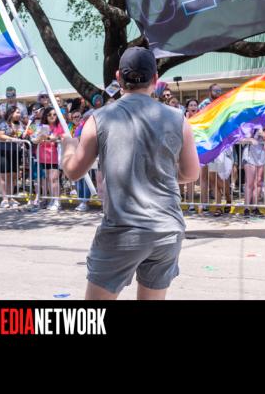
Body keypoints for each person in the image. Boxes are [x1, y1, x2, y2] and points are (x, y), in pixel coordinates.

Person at [61, 46, 200, 300]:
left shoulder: (99, 118)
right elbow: (191, 173)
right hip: (166, 230)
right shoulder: (178, 119)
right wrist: (158, 173)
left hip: (123, 231)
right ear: (155, 78)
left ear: (118, 77)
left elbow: (73, 171)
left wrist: (68, 148)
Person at [32, 106, 65, 211]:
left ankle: (57, 201)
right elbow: (34, 140)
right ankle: (51, 200)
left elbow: (63, 137)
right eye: (49, 114)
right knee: (47, 179)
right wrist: (40, 137)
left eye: (54, 114)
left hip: (55, 156)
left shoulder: (60, 126)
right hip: (43, 156)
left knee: (54, 178)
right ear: (45, 116)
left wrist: (54, 138)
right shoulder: (40, 126)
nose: (52, 116)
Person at [0, 106, 26, 208]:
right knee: (4, 175)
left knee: (13, 176)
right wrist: (11, 139)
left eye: (19, 112)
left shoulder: (20, 124)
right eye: (17, 112)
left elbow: (22, 135)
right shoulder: (3, 123)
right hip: (3, 151)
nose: (19, 114)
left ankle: (10, 197)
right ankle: (4, 199)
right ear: (11, 113)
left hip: (16, 152)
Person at [241, 127, 265, 217]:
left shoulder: (263, 126)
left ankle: (255, 207)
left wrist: (263, 135)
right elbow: (239, 139)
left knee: (258, 182)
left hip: (261, 155)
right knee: (250, 183)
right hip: (249, 155)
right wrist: (249, 139)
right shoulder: (247, 125)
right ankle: (246, 208)